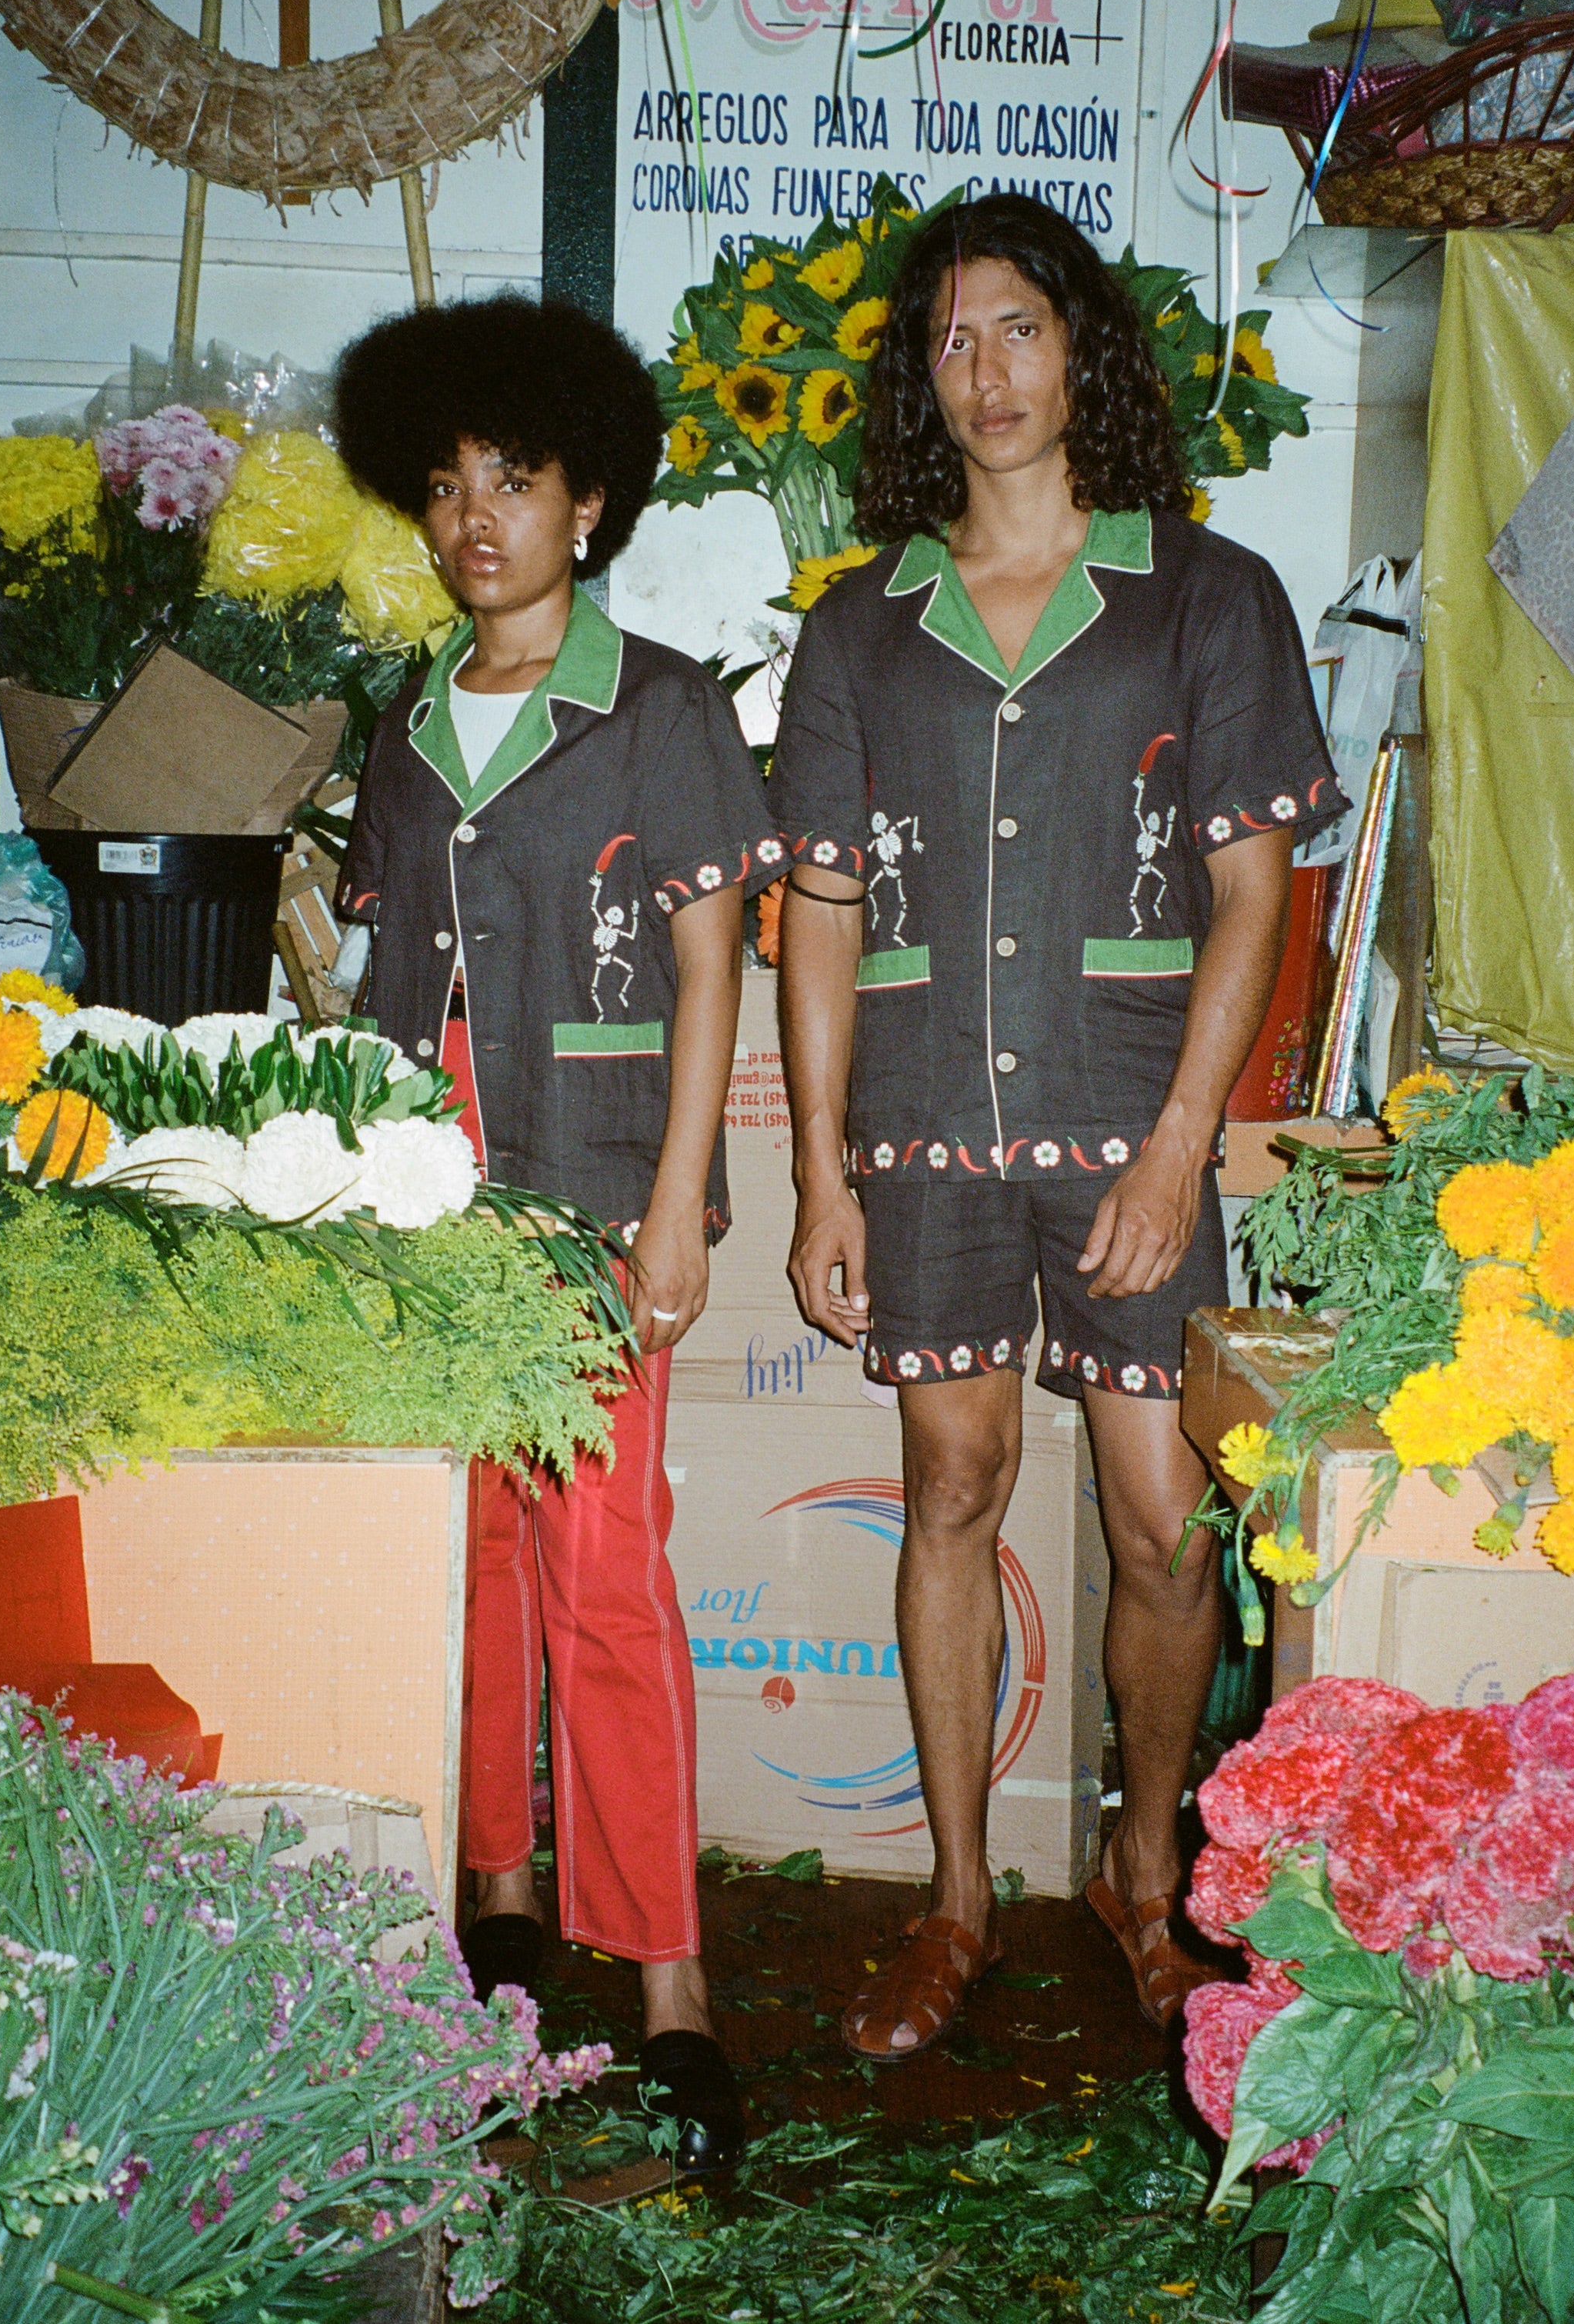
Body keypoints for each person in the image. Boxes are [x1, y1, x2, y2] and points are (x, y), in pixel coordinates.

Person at [769, 195, 1343, 2054]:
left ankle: (1139, 1869)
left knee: (1165, 1528)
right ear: (918, 381)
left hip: (1123, 1117)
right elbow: (823, 909)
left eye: (1015, 328)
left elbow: (1251, 892)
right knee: (949, 1485)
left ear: (1077, 350)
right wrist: (818, 1174)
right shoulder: (860, 624)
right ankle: (953, 1901)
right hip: (926, 1122)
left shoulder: (1205, 594)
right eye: (949, 340)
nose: (985, 370)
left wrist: (1181, 1144)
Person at [334, 294, 789, 2168]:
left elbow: (709, 966)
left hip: (596, 1184)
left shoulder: (659, 706)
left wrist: (678, 1204)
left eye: (510, 483)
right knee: (470, 1545)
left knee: (607, 1567)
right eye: (446, 487)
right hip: (427, 1195)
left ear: (586, 504)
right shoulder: (401, 723)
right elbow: (382, 971)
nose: (474, 521)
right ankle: (501, 1888)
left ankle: (669, 1977)